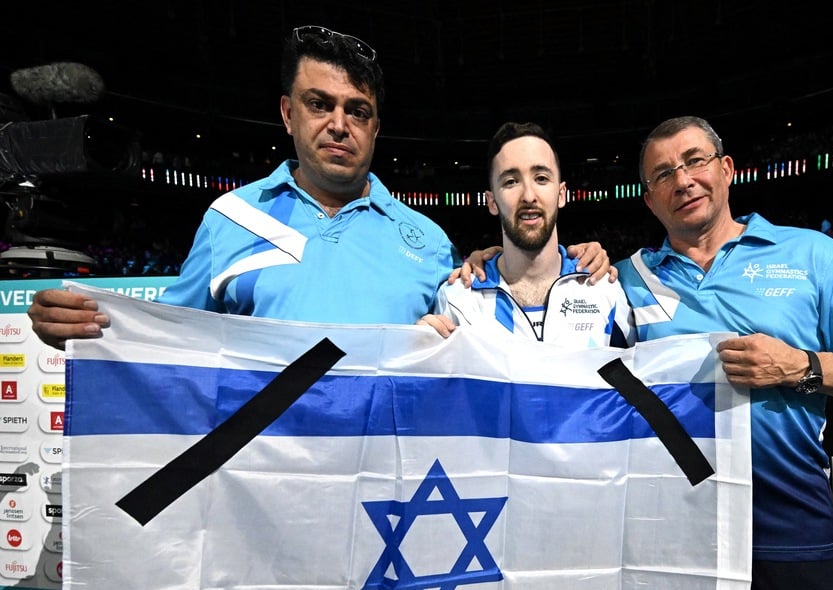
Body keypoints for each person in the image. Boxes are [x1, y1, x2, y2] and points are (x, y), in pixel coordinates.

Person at [26, 26, 609, 350]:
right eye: (319, 104)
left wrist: (500, 258)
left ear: (376, 127)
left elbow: (468, 329)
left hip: (389, 497)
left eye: (358, 111)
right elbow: (169, 344)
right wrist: (87, 335)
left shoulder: (427, 241)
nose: (338, 124)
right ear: (286, 113)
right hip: (263, 492)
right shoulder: (231, 218)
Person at [614, 115, 833, 590]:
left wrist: (800, 365)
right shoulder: (623, 280)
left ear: (726, 169)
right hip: (675, 533)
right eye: (662, 174)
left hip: (791, 526)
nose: (682, 180)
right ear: (648, 198)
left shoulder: (812, 255)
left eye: (694, 161)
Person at [417, 121, 633, 347]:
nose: (529, 196)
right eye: (511, 182)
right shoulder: (457, 300)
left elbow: (637, 376)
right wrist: (418, 352)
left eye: (541, 178)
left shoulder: (603, 288)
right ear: (491, 202)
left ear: (561, 194)